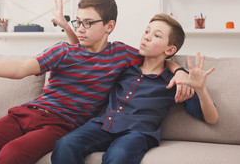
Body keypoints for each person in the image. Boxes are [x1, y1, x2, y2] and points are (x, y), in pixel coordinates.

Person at [0, 0, 190, 164]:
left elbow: (158, 57)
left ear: (110, 26)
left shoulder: (122, 55)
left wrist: (179, 71)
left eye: (88, 23)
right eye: (78, 22)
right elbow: (22, 68)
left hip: (60, 124)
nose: (81, 28)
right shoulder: (63, 51)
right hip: (26, 113)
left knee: (11, 155)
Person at [51, 13, 218, 164]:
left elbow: (212, 118)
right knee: (65, 144)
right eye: (146, 32)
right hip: (104, 124)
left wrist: (200, 89)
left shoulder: (175, 81)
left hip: (138, 133)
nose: (146, 37)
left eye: (156, 35)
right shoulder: (124, 65)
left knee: (119, 156)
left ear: (170, 49)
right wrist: (67, 28)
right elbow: (84, 56)